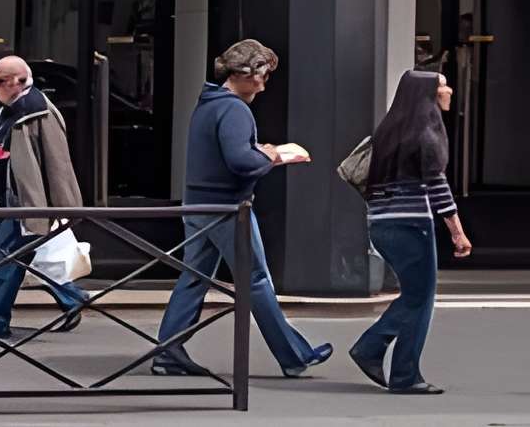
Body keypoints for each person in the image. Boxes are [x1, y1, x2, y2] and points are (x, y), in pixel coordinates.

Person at [151, 38, 332, 380]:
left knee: (194, 278)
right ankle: (294, 356)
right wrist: (273, 156)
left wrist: (259, 151)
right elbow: (240, 162)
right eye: (263, 75)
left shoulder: (209, 103)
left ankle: (168, 352)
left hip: (199, 203)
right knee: (256, 279)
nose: (264, 85)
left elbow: (229, 155)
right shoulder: (234, 109)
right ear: (244, 74)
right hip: (226, 208)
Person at [349, 68, 469, 397]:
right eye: (442, 86)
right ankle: (401, 373)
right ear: (427, 95)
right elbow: (438, 187)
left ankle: (373, 349)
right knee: (421, 298)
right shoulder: (427, 134)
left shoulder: (390, 132)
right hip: (412, 225)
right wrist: (457, 232)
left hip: (382, 224)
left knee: (414, 296)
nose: (449, 91)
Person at [0, 56, 87, 345]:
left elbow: (57, 162)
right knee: (20, 258)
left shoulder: (38, 110)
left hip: (26, 201)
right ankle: (71, 297)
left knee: (2, 261)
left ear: (19, 82)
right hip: (7, 198)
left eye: (0, 81)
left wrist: (63, 206)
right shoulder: (1, 109)